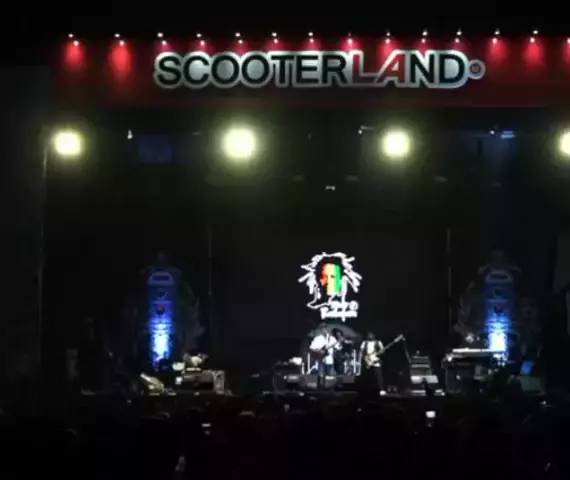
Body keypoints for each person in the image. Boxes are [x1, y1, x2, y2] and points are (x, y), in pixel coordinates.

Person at [310, 324, 341, 388]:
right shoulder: (317, 338)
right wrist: (319, 351)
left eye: (325, 328)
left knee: (332, 378)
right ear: (320, 330)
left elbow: (338, 347)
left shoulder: (332, 338)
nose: (324, 329)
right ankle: (321, 390)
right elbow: (312, 347)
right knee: (321, 379)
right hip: (321, 361)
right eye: (322, 328)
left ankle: (331, 389)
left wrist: (339, 343)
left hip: (330, 361)